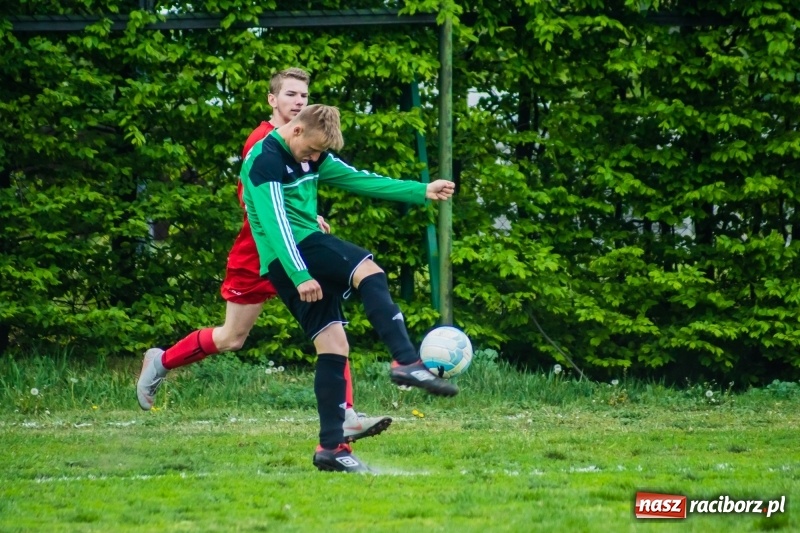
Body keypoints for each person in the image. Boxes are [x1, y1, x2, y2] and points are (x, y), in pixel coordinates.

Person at [137, 68, 392, 444]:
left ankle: (346, 414)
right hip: (257, 254)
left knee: (332, 330)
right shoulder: (262, 142)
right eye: (290, 95)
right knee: (231, 338)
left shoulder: (309, 142)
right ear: (272, 101)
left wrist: (309, 221)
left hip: (300, 251)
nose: (298, 102)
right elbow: (251, 198)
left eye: (304, 96)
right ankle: (160, 361)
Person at [241, 104, 458, 473]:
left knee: (333, 345)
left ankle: (331, 449)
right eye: (310, 150)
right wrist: (299, 275)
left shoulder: (313, 154)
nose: (314, 158)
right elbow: (276, 222)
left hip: (298, 254)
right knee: (370, 273)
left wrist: (422, 190)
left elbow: (360, 179)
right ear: (295, 131)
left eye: (319, 154)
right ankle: (406, 361)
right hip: (293, 252)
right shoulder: (264, 159)